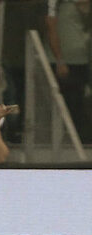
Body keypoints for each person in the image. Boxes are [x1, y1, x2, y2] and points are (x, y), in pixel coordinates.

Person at [46, 0, 91, 143]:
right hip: (63, 61)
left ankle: (81, 138)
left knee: (79, 102)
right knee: (66, 103)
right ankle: (65, 140)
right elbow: (51, 28)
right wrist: (60, 60)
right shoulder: (56, 4)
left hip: (82, 60)